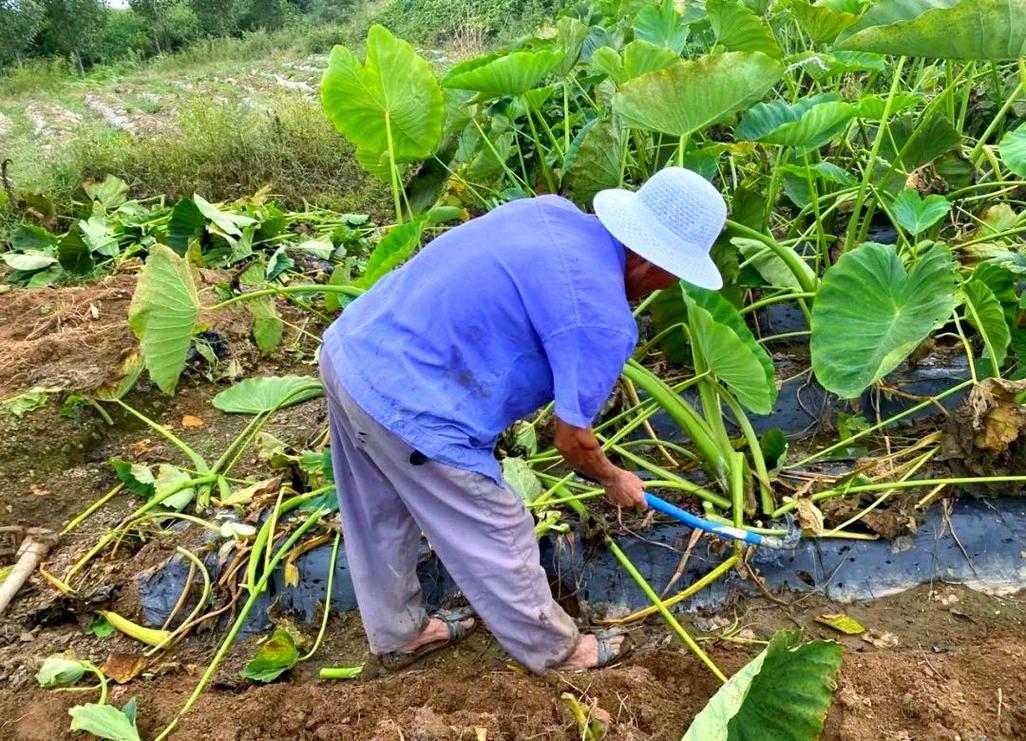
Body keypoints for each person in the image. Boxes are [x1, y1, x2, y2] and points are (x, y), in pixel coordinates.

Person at [320, 167, 727, 673]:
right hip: (411, 399)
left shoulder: (549, 211)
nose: (672, 285)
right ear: (650, 261)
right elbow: (572, 441)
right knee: (500, 527)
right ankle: (559, 652)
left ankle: (401, 636)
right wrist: (614, 478)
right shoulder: (603, 318)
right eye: (677, 273)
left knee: (378, 509)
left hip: (353, 348)